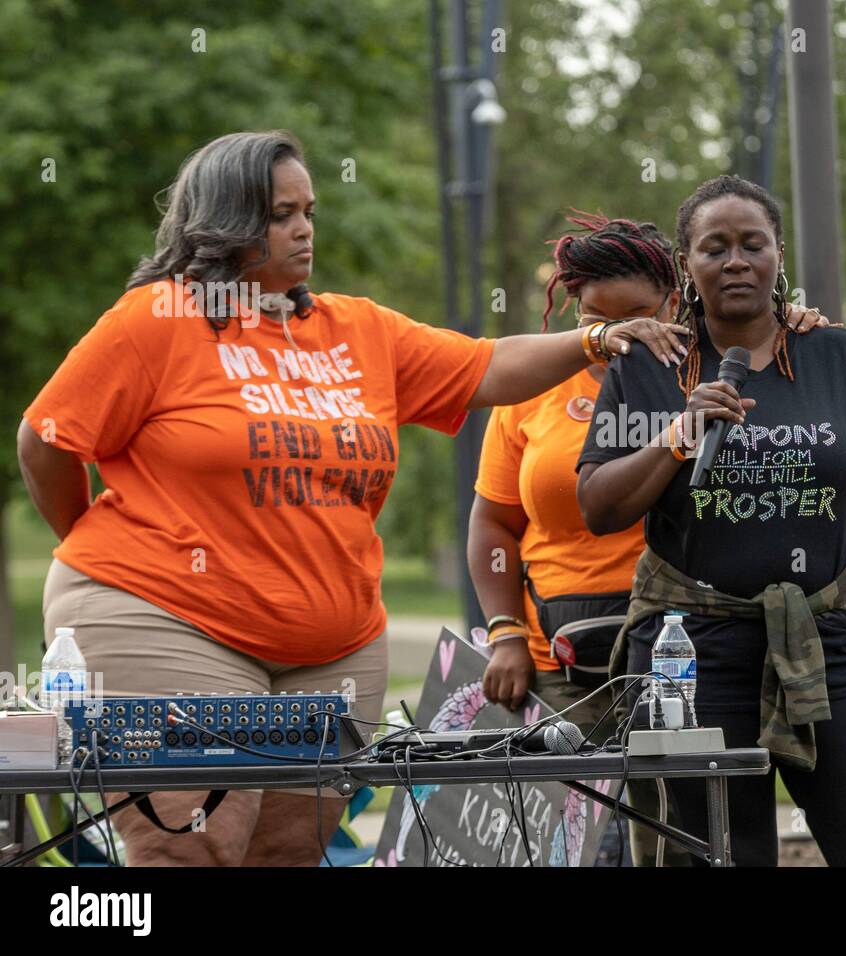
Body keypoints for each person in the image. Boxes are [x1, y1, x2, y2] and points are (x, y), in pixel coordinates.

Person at [17, 130, 685, 867]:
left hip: (331, 647)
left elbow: (489, 364)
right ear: (224, 221)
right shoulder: (159, 319)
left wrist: (596, 342)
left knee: (290, 855)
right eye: (279, 213)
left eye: (309, 209)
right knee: (197, 848)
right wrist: (103, 553)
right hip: (170, 619)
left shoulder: (355, 329)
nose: (304, 228)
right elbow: (46, 439)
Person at [576, 175, 846, 866]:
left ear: (777, 255)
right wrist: (678, 435)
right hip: (690, 654)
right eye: (715, 248)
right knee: (725, 857)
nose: (735, 261)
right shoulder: (650, 365)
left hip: (825, 642)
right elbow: (600, 506)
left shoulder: (840, 356)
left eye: (751, 244)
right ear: (687, 265)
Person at [468, 210, 829, 866]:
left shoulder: (716, 374)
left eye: (637, 314)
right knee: (571, 848)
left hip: (681, 654)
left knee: (678, 841)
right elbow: (493, 523)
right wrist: (504, 632)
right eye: (594, 322)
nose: (618, 336)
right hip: (562, 661)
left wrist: (799, 330)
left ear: (675, 299)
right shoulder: (531, 392)